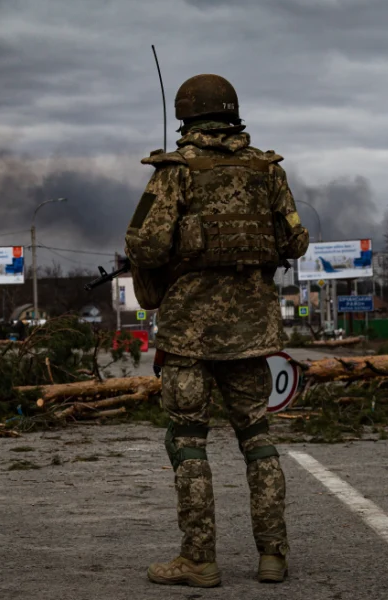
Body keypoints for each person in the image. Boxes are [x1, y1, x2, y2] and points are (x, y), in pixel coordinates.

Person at [124, 73, 309, 588]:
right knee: (257, 438)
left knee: (187, 441)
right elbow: (295, 241)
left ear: (186, 116)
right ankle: (273, 554)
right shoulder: (267, 171)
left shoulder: (175, 172)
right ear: (232, 114)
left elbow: (145, 244)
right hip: (252, 331)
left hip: (188, 334)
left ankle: (199, 559)